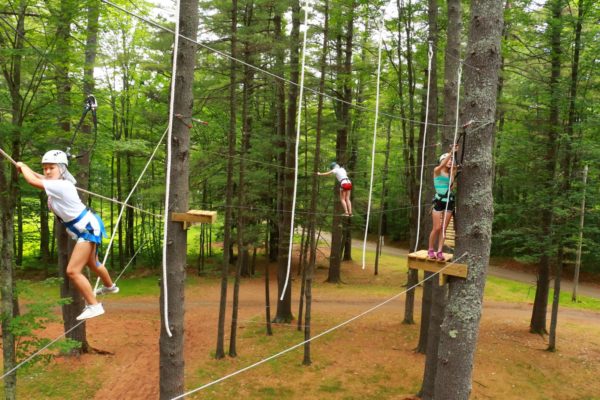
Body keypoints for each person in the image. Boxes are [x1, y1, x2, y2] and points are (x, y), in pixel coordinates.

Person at [16, 150, 119, 321]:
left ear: (62, 169)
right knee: (93, 263)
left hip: (86, 229)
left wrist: (22, 166)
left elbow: (33, 180)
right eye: (45, 168)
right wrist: (26, 168)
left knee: (72, 271)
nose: (47, 172)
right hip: (87, 226)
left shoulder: (61, 185)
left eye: (51, 168)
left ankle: (94, 306)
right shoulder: (57, 182)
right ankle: (110, 286)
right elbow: (39, 177)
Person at [428, 145, 459, 261]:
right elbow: (441, 165)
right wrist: (451, 152)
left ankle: (440, 251)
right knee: (436, 227)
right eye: (448, 160)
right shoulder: (437, 171)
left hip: (449, 202)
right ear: (442, 161)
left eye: (451, 160)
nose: (450, 162)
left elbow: (456, 167)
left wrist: (454, 155)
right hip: (439, 202)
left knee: (444, 229)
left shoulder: (452, 173)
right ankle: (431, 249)